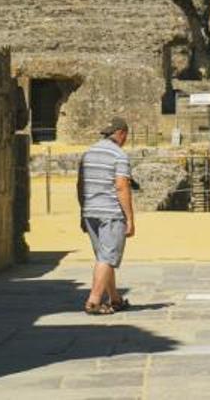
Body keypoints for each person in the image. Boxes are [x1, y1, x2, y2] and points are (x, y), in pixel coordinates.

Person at [76, 116, 135, 315]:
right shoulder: (119, 155)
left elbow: (80, 185)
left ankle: (115, 299)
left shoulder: (88, 153)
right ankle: (93, 301)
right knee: (107, 258)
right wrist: (129, 218)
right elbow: (121, 186)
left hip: (90, 211)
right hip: (110, 213)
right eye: (125, 136)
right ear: (121, 134)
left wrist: (83, 211)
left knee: (104, 256)